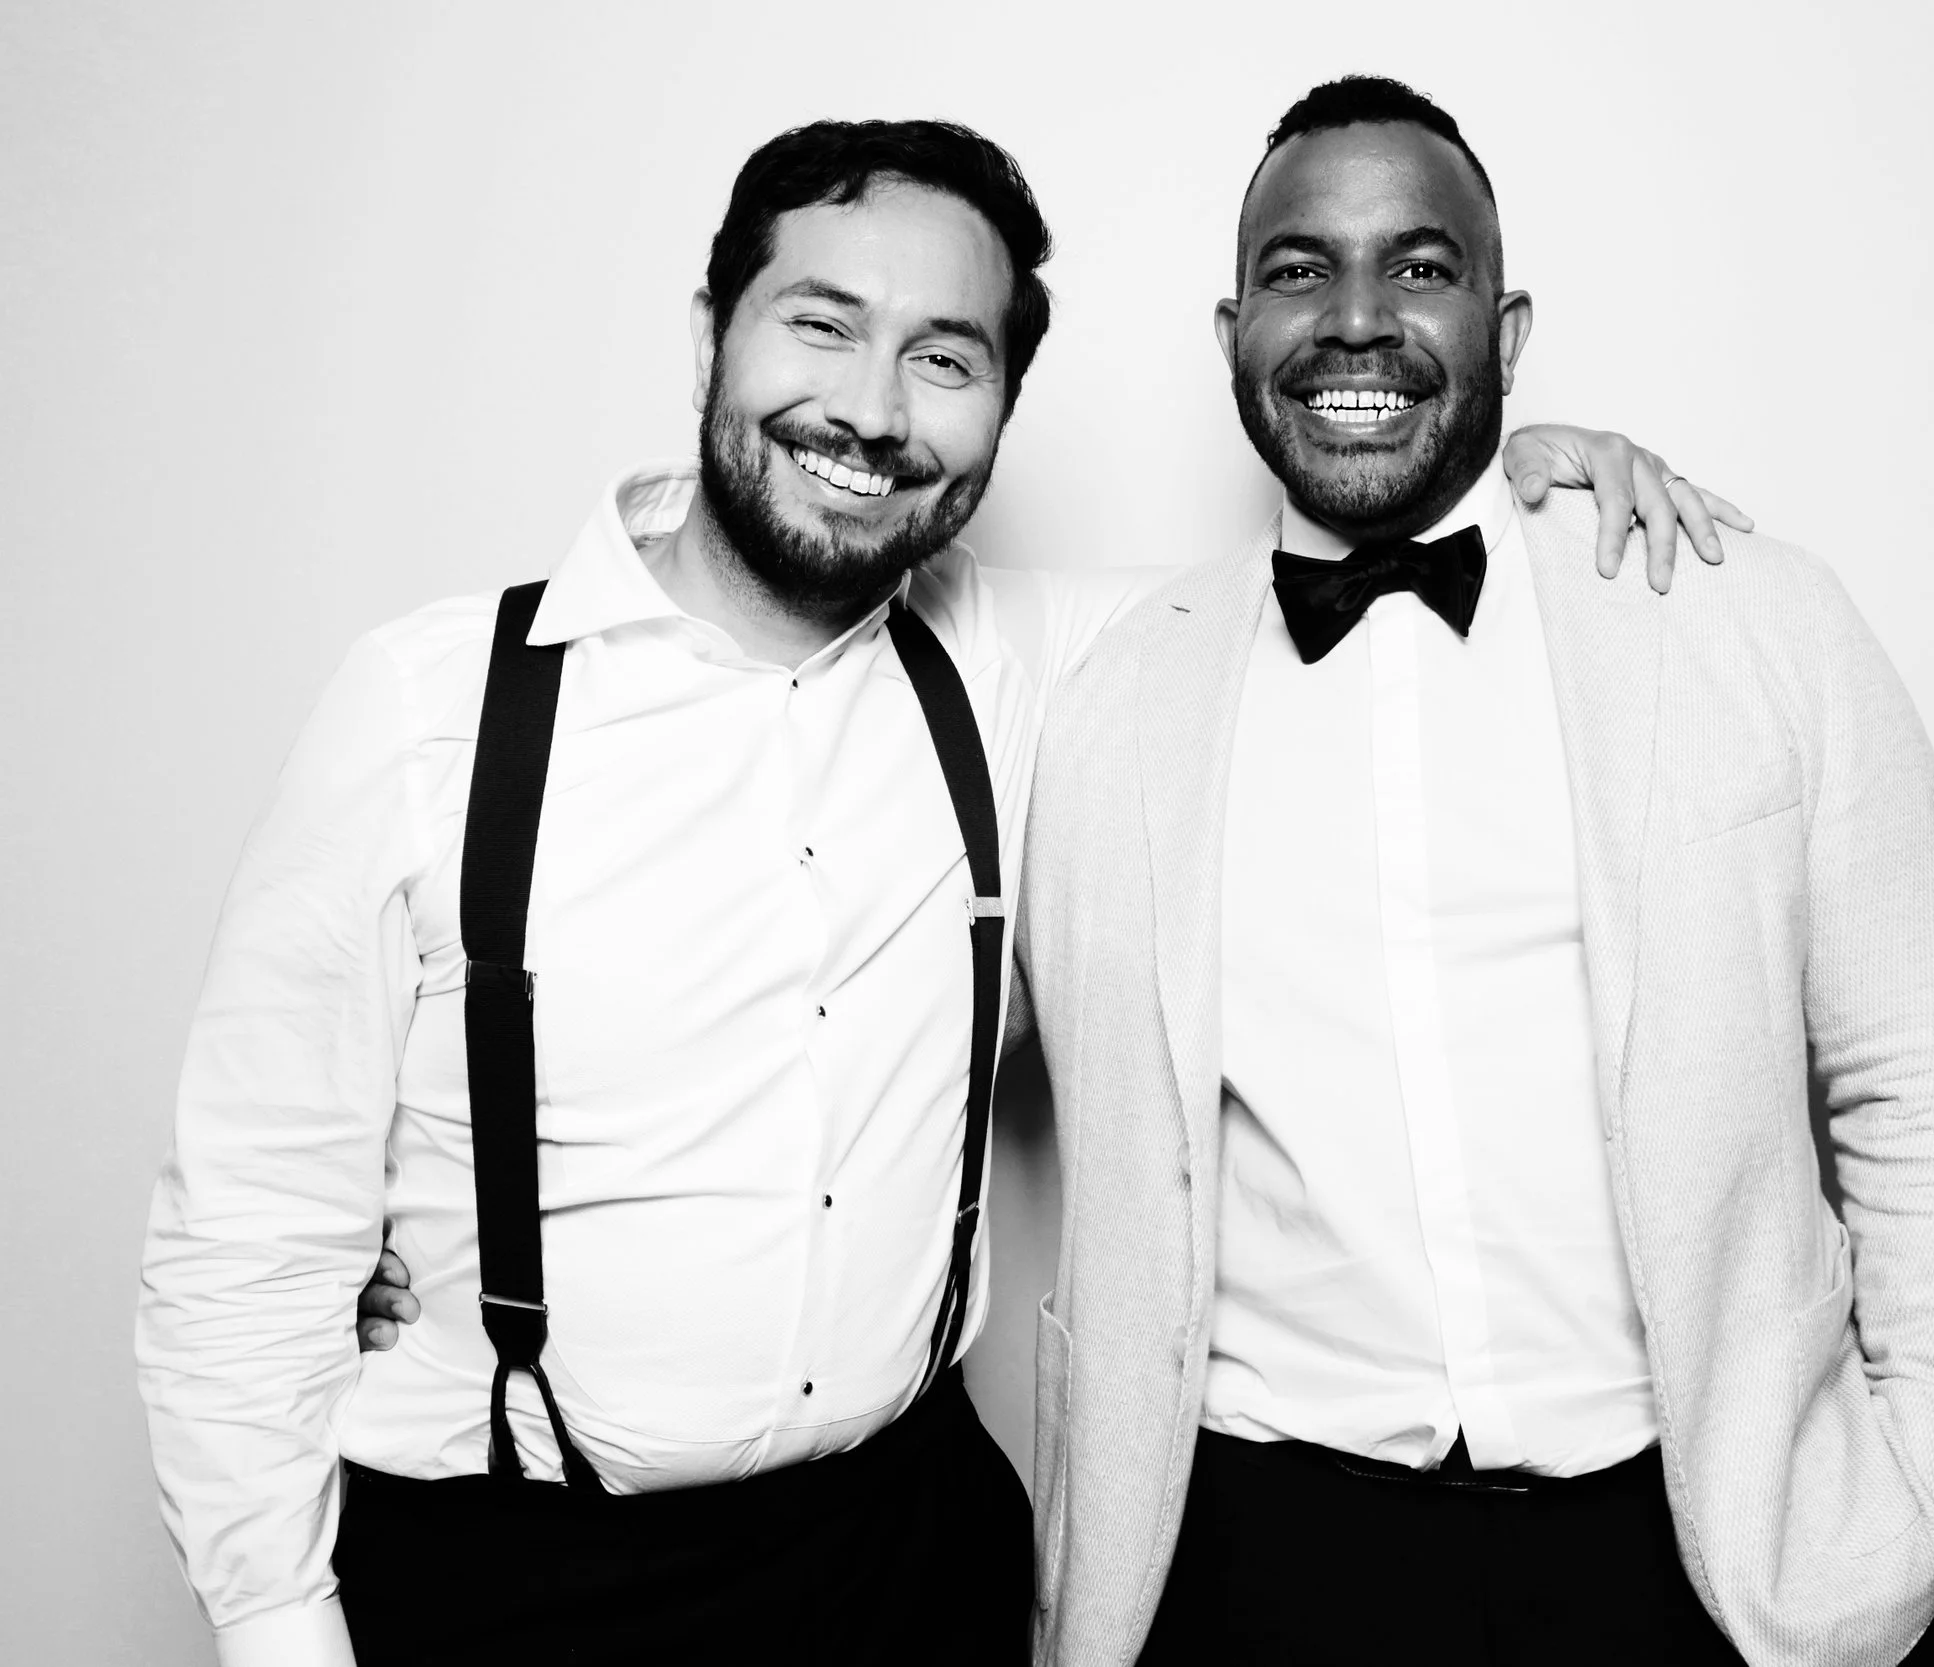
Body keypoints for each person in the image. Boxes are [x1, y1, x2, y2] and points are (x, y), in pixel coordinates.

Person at [136, 114, 1735, 1667]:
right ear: (712, 335)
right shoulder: (429, 708)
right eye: (822, 325)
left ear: (999, 408)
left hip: (911, 1560)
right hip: (514, 1576)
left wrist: (1514, 468)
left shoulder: (1046, 666)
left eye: (947, 358)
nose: (871, 409)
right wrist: (277, 1626)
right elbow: (247, 1243)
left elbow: (1351, 556)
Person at [1018, 76, 1934, 1667]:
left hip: (1699, 1546)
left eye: (1419, 270)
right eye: (1300, 271)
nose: (1356, 321)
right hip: (1256, 1552)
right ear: (1232, 327)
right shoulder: (1109, 690)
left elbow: (1929, 1082)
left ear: (1509, 323)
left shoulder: (1751, 619)